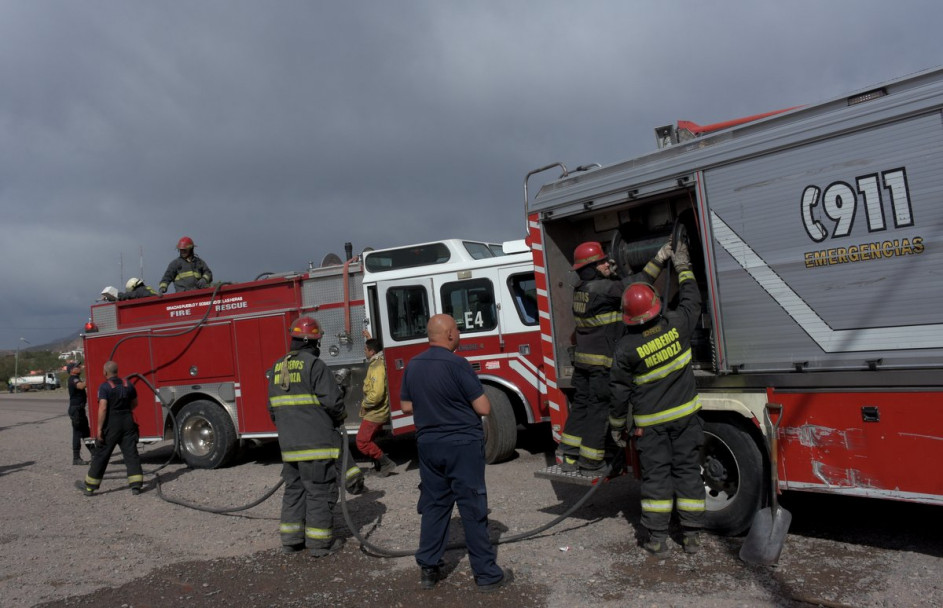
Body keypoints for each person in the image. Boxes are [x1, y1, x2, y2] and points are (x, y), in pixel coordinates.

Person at [400, 314, 512, 593]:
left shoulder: (413, 364)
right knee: (473, 508)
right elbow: (484, 408)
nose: (460, 333)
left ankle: (428, 569)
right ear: (450, 334)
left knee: (435, 506)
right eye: (458, 330)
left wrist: (433, 405)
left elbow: (405, 406)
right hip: (461, 445)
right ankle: (486, 575)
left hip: (428, 445)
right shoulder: (457, 364)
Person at [609, 240, 706, 554]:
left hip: (650, 429)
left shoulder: (625, 349)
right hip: (685, 419)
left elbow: (620, 393)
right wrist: (683, 268)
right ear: (655, 305)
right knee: (689, 472)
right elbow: (692, 301)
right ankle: (691, 537)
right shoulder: (677, 325)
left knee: (656, 481)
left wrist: (616, 427)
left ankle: (658, 540)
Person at [557, 239, 672, 476]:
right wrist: (659, 258)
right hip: (601, 365)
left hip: (584, 365)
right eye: (601, 262)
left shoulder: (582, 289)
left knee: (581, 407)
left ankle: (568, 452)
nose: (606, 263)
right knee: (599, 410)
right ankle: (590, 461)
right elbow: (637, 284)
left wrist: (611, 274)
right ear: (590, 268)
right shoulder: (602, 289)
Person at [267, 316, 348, 557]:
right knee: (318, 491)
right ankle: (319, 544)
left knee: (294, 490)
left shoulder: (278, 366)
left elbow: (272, 409)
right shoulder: (315, 365)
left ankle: (291, 540)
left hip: (289, 445)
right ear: (313, 342)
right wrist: (341, 415)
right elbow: (333, 402)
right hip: (316, 444)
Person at [77, 361, 144, 496]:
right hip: (128, 421)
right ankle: (136, 485)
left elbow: (103, 407)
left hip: (112, 423)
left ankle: (90, 486)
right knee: (131, 453)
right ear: (117, 371)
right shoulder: (128, 384)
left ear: (105, 373)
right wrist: (125, 412)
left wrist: (99, 429)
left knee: (102, 454)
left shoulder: (105, 387)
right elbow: (135, 403)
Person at [356, 338, 395, 476]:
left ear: (372, 352)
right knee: (370, 439)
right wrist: (368, 336)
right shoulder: (376, 362)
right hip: (375, 411)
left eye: (366, 349)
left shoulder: (377, 367)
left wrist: (365, 404)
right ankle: (378, 465)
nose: (364, 351)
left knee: (362, 441)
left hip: (376, 412)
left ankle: (386, 463)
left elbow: (377, 394)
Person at [66, 362, 94, 465]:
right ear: (72, 370)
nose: (79, 367)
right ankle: (76, 458)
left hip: (79, 409)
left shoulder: (76, 378)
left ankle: (94, 453)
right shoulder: (73, 379)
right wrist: (91, 377)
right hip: (76, 410)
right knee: (77, 433)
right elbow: (81, 386)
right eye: (77, 367)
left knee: (86, 432)